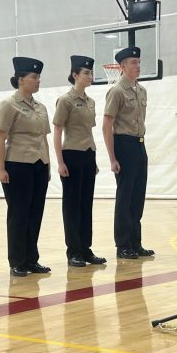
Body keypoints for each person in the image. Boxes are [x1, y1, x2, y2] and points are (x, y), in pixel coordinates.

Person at [0, 57, 52, 277]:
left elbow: (43, 138)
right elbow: (0, 137)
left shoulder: (41, 107)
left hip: (38, 165)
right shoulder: (9, 105)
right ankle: (17, 261)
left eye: (38, 77)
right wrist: (1, 169)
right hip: (17, 164)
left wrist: (47, 164)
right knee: (19, 214)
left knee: (35, 213)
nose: (38, 81)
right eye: (34, 77)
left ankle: (31, 259)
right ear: (21, 80)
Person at [53, 55, 107, 267]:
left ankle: (86, 248)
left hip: (87, 153)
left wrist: (93, 158)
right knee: (72, 205)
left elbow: (88, 131)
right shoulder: (65, 100)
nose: (90, 76)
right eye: (86, 73)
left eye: (91, 73)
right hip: (71, 154)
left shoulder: (91, 102)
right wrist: (60, 161)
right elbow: (57, 131)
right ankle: (73, 250)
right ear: (75, 75)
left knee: (86, 204)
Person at [102, 47, 155, 259]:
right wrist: (112, 158)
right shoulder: (116, 91)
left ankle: (135, 242)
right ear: (122, 67)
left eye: (139, 62)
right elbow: (107, 126)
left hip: (139, 145)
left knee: (137, 196)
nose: (138, 66)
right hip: (123, 145)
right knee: (125, 197)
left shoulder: (141, 91)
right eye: (133, 62)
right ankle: (123, 244)